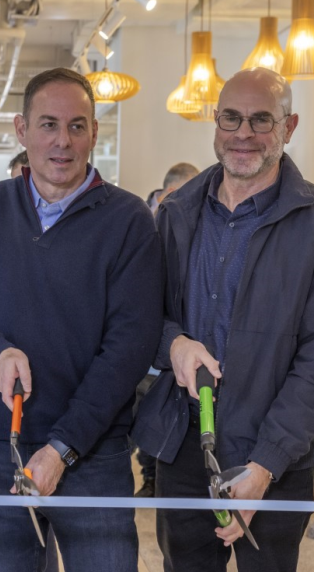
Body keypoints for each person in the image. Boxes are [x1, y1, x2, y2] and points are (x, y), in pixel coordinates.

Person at [133, 68, 314, 572]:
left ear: (289, 125)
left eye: (262, 120)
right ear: (215, 121)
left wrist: (264, 466)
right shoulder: (177, 214)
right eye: (231, 118)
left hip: (274, 457)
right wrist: (175, 344)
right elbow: (144, 319)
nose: (243, 134)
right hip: (185, 447)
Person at [0, 67, 163, 572]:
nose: (62, 141)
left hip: (94, 454)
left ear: (95, 133)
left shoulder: (129, 220)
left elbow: (129, 348)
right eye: (48, 124)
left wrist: (62, 447)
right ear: (20, 130)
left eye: (77, 126)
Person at [135, 162, 200, 499]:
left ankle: (154, 480)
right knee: (147, 421)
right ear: (170, 191)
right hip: (148, 352)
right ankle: (149, 478)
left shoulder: (194, 224)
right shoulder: (142, 221)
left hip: (182, 353)